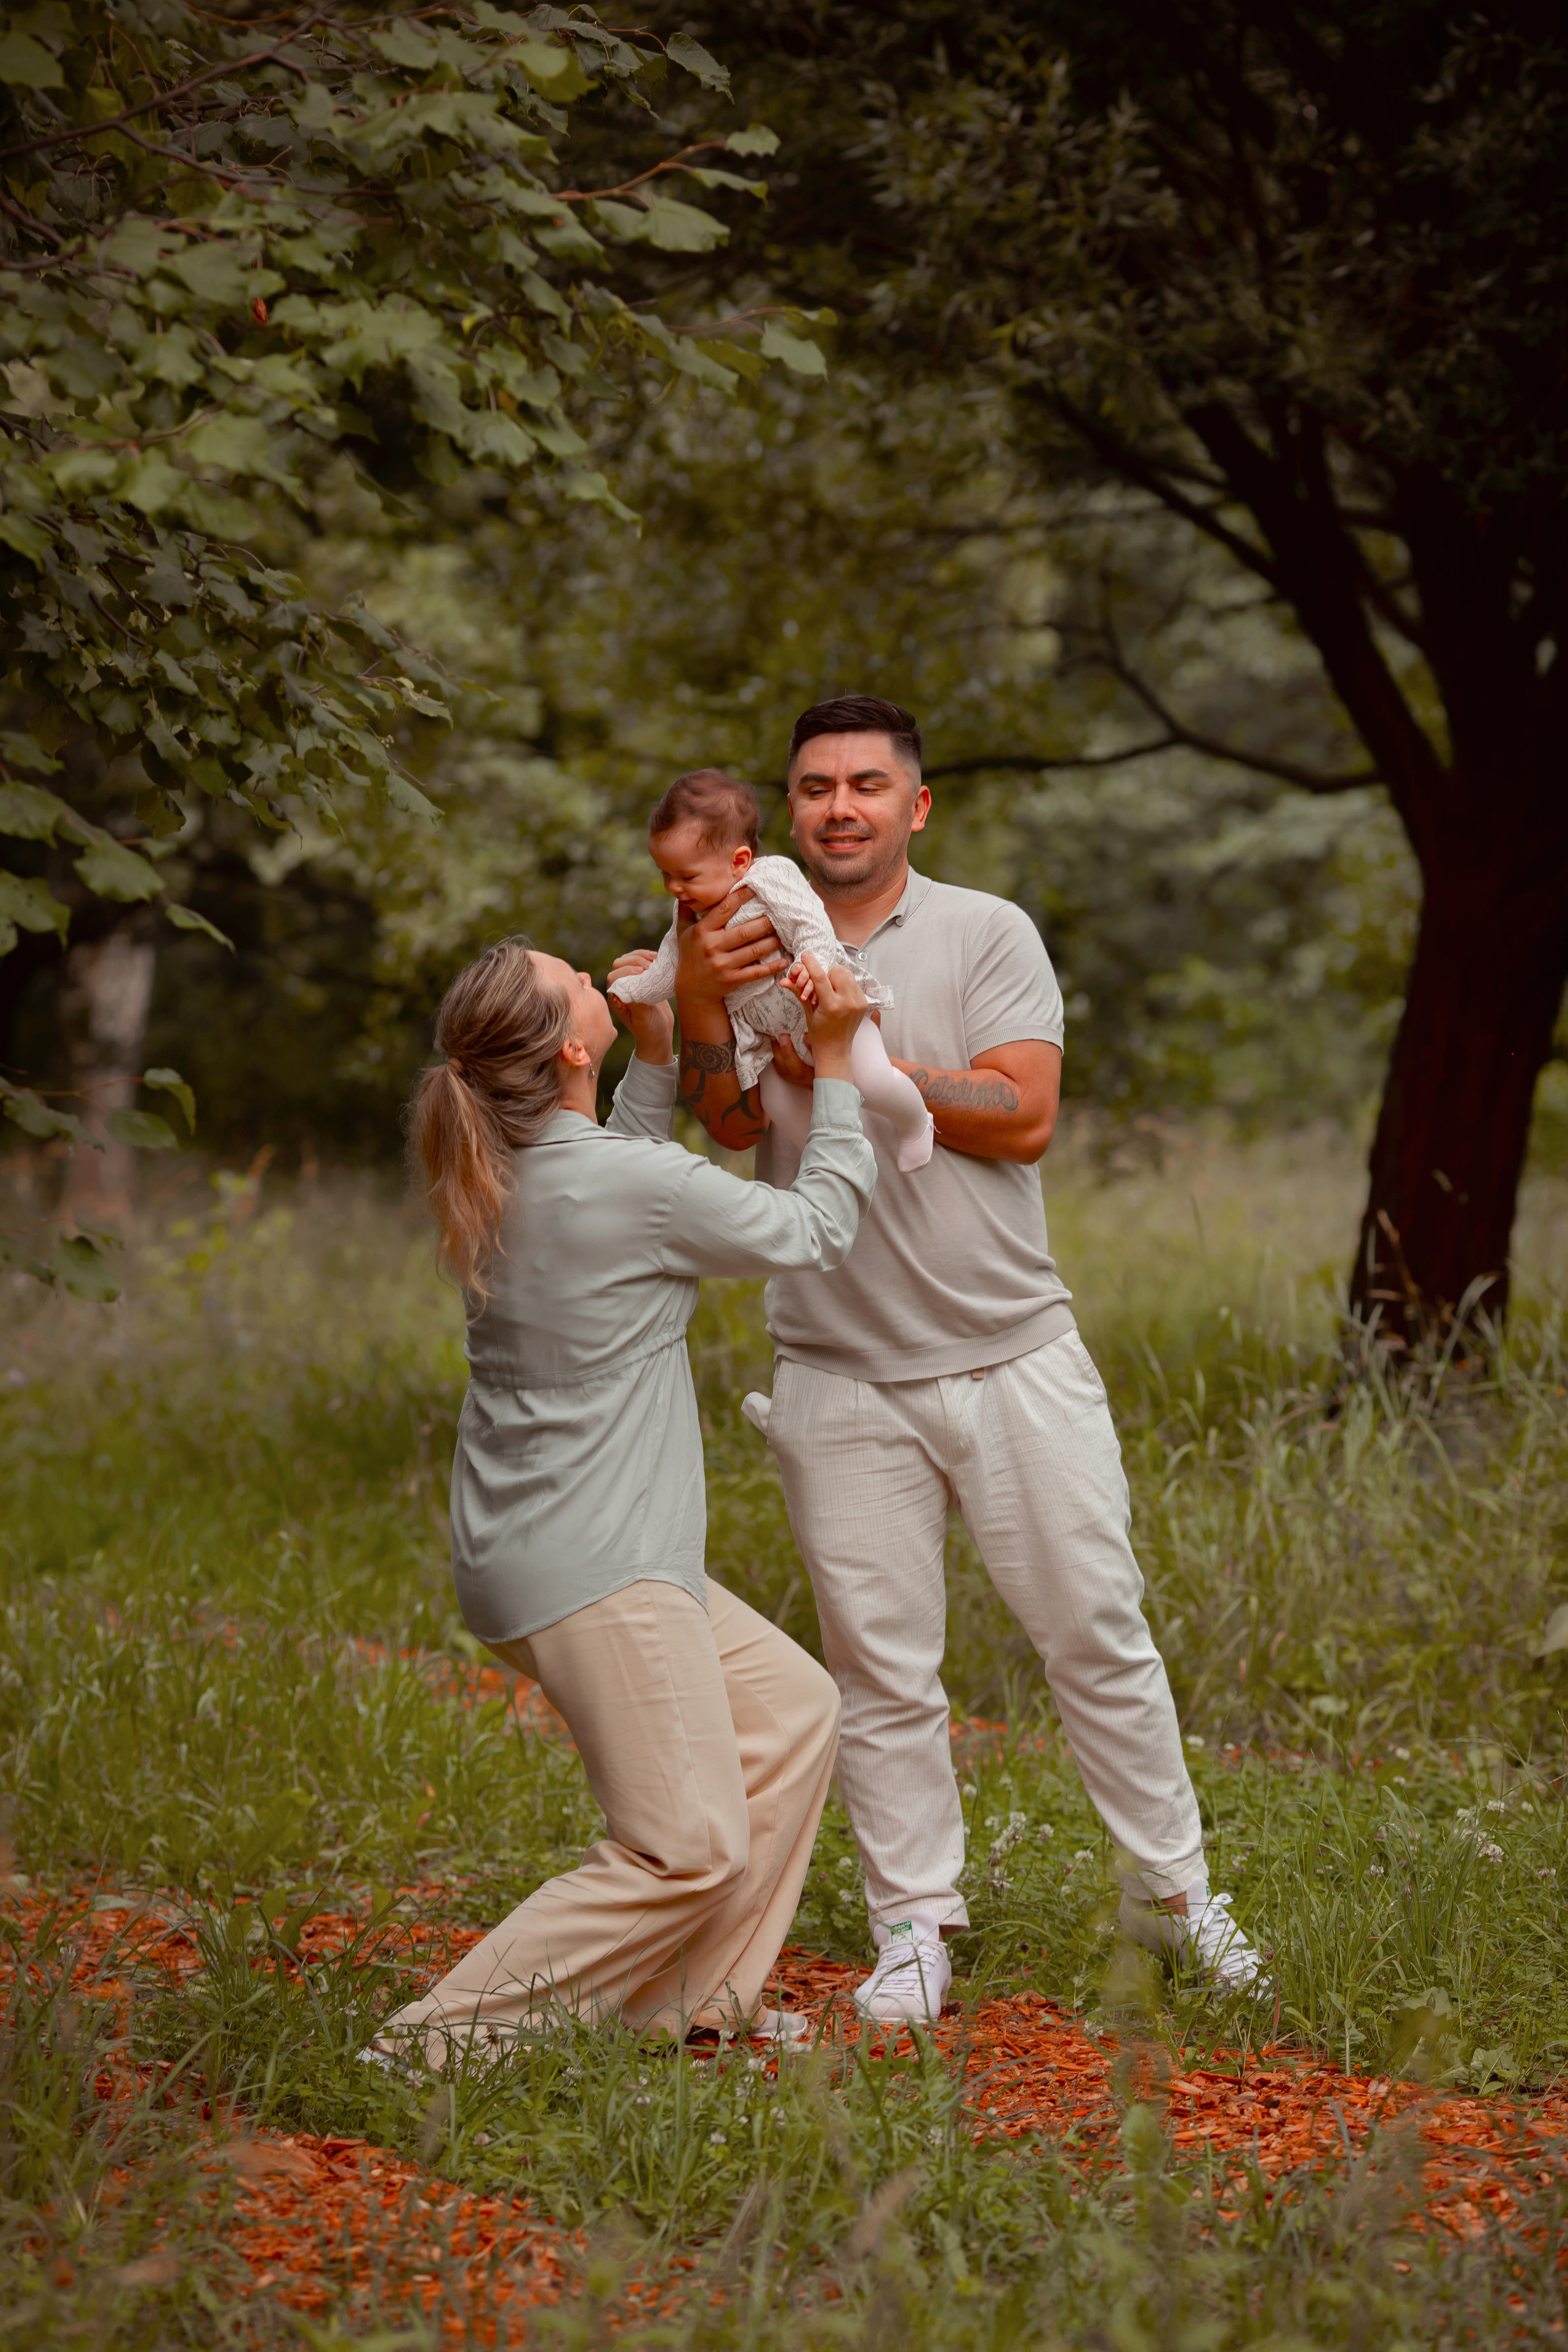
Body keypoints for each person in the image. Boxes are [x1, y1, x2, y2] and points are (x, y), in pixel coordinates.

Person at [672, 694, 1266, 2024]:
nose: (840, 807)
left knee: (1095, 1632)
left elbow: (1023, 1113)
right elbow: (728, 1124)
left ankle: (1175, 1900)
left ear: (916, 806)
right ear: (788, 810)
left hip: (1011, 1355)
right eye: (815, 786)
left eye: (867, 785)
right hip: (834, 1365)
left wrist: (851, 1052)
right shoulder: (749, 935)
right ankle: (914, 1929)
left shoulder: (987, 931)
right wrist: (709, 998)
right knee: (880, 1672)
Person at [368, 933, 875, 2066]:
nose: (601, 978)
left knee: (792, 1711)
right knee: (682, 1847)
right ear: (566, 1049)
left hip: (546, 1550)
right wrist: (837, 1063)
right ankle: (427, 2049)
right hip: (602, 1568)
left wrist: (651, 1059)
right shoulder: (614, 1183)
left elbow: (627, 1186)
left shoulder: (512, 1168)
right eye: (577, 984)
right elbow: (816, 1230)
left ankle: (681, 2010)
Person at [609, 766, 934, 1171]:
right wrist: (635, 989)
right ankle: (838, 1168)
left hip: (823, 1008)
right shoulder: (689, 912)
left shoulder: (771, 877)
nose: (674, 888)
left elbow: (811, 925)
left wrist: (810, 967)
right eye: (666, 875)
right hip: (767, 1041)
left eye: (686, 876)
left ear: (739, 861)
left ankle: (916, 1123)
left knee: (872, 1077)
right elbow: (671, 966)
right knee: (778, 1102)